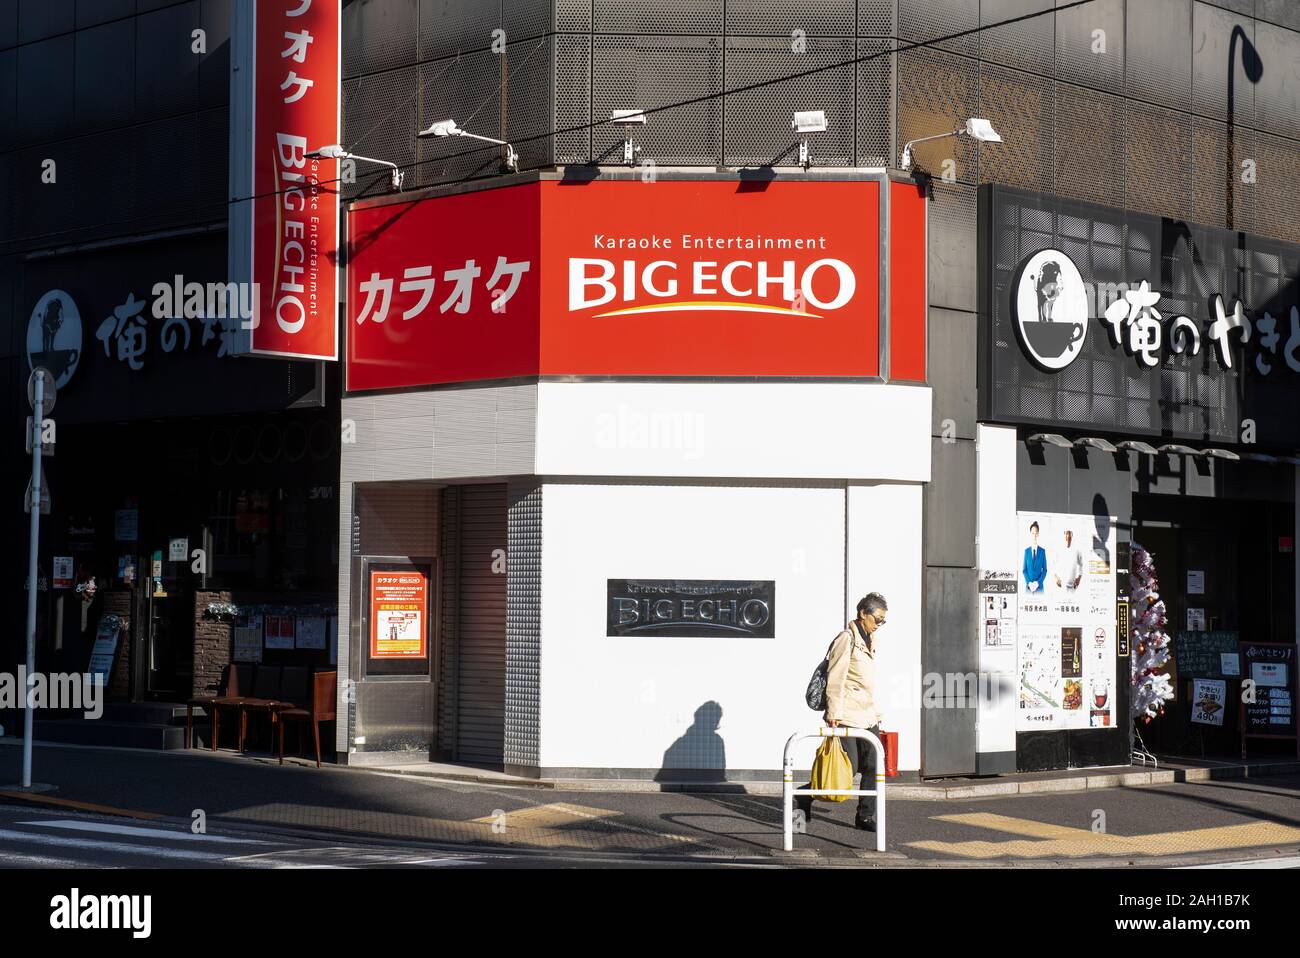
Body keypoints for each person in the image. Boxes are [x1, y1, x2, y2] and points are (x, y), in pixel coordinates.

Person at [795, 593, 888, 832]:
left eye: (883, 621)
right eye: (877, 619)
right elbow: (836, 678)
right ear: (863, 614)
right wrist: (832, 714)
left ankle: (865, 817)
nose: (880, 625)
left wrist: (877, 713)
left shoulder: (870, 639)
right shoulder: (846, 639)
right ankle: (804, 795)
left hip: (866, 715)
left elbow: (865, 684)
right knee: (847, 770)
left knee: (875, 765)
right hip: (846, 714)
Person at [1022, 521, 1047, 593]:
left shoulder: (1042, 551)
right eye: (1033, 533)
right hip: (1028, 588)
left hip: (1039, 588)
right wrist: (1029, 583)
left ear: (1038, 534)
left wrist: (1037, 583)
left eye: (1036, 533)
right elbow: (1024, 570)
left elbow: (1045, 570)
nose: (1034, 535)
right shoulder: (1026, 551)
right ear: (1030, 534)